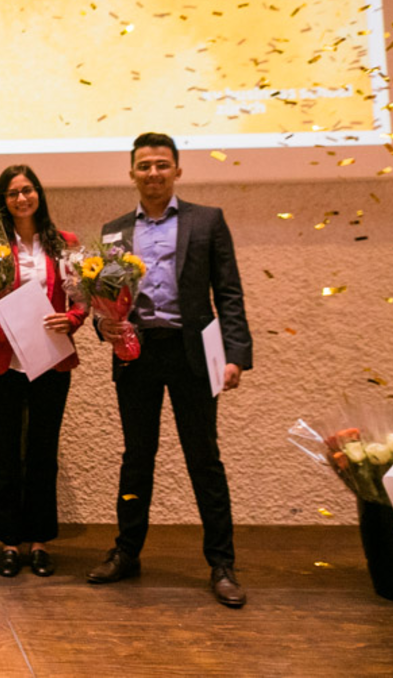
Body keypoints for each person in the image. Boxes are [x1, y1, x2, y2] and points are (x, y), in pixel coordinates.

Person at [85, 132, 253, 607]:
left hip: (193, 354)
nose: (153, 173)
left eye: (162, 164)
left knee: (204, 458)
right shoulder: (115, 230)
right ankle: (127, 551)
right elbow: (103, 299)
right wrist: (102, 326)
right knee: (136, 458)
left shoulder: (207, 221)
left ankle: (222, 563)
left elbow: (229, 292)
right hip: (136, 354)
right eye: (144, 166)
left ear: (177, 170)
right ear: (132, 173)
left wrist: (236, 354)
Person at [0, 165, 86, 579]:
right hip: (1, 361)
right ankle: (8, 541)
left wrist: (71, 320)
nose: (21, 198)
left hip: (50, 358)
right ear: (3, 201)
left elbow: (82, 299)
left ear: (39, 193)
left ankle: (39, 541)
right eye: (12, 193)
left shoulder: (65, 244)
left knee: (42, 451)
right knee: (5, 452)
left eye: (27, 190)